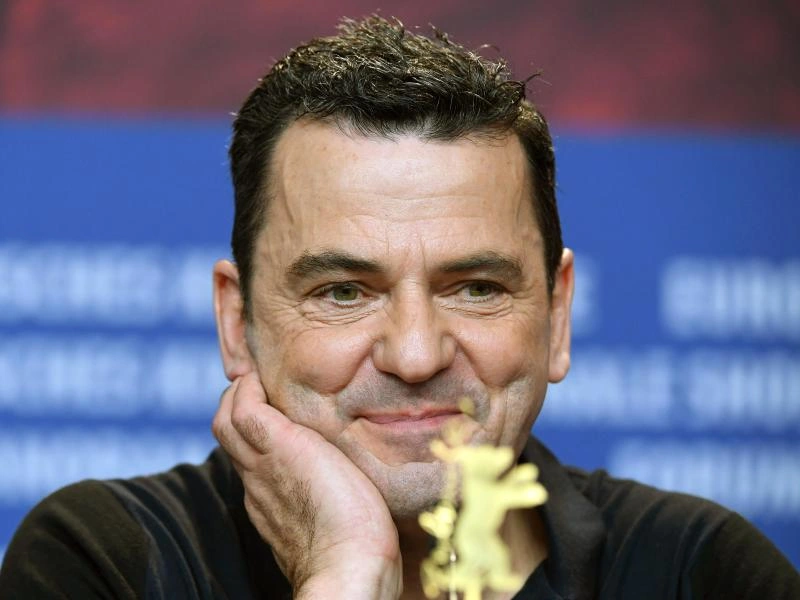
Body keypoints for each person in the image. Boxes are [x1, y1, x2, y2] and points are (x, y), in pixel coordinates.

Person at [1, 15, 797, 600]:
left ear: (557, 318)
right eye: (343, 292)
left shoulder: (698, 571)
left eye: (476, 288)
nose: (415, 356)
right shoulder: (110, 561)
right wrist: (345, 575)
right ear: (236, 324)